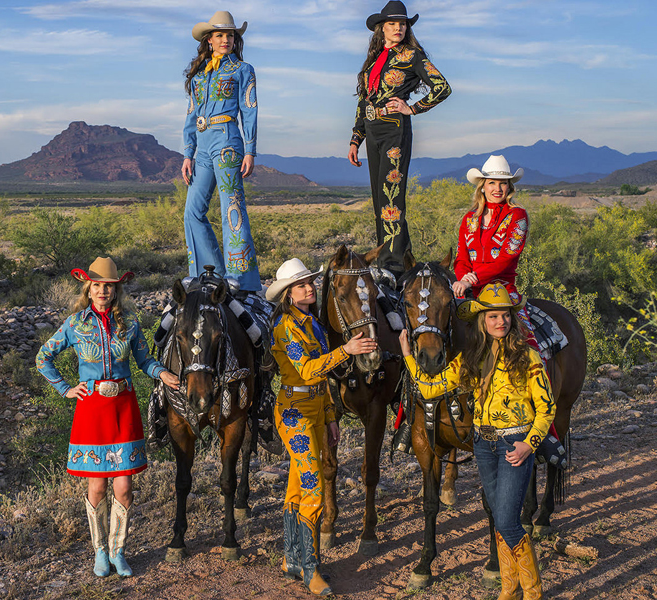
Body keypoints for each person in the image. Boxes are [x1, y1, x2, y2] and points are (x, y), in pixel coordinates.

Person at [399, 283, 554, 600]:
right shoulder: (470, 359)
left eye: (505, 315)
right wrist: (406, 356)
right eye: (493, 316)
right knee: (499, 518)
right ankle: (509, 589)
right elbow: (432, 388)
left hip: (515, 443)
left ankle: (533, 591)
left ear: (512, 319)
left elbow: (547, 407)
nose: (500, 322)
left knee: (509, 521)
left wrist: (529, 444)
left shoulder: (528, 357)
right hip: (484, 446)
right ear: (482, 321)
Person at [36, 257, 180, 578]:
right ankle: (100, 551)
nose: (102, 291)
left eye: (109, 286)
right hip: (91, 410)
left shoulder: (129, 323)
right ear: (88, 288)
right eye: (97, 285)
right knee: (97, 488)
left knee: (125, 488)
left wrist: (164, 374)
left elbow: (144, 360)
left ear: (116, 290)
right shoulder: (74, 324)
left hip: (124, 408)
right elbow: (43, 356)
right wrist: (65, 388)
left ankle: (119, 551)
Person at [266, 258, 377, 596]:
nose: (309, 287)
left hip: (315, 408)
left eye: (310, 282)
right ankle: (311, 570)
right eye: (301, 285)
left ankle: (292, 560)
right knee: (313, 485)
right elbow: (307, 369)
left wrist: (331, 416)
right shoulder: (285, 328)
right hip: (294, 412)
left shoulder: (313, 325)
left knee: (298, 486)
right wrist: (347, 349)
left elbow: (323, 378)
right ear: (288, 294)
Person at [347, 0, 451, 279]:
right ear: (381, 28)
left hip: (395, 128)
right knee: (379, 197)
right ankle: (390, 256)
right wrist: (356, 138)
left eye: (402, 23)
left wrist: (413, 108)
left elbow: (442, 87)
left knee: (392, 196)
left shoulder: (413, 56)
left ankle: (394, 264)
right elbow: (363, 99)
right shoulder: (375, 58)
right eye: (392, 23)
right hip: (372, 129)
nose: (398, 28)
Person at [181, 11, 261, 293]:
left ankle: (241, 278)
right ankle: (207, 273)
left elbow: (249, 111)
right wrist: (187, 152)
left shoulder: (242, 70)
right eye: (220, 35)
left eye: (230, 35)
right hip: (201, 147)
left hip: (228, 141)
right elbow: (191, 115)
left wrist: (250, 150)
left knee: (232, 208)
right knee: (192, 212)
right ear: (209, 40)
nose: (225, 39)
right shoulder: (199, 75)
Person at [452, 154, 538, 348]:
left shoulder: (517, 215)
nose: (497, 189)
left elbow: (506, 259)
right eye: (492, 183)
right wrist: (463, 279)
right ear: (482, 186)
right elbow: (461, 258)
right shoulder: (469, 219)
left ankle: (539, 375)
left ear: (509, 187)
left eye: (503, 183)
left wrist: (470, 279)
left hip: (503, 290)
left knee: (527, 345)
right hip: (470, 291)